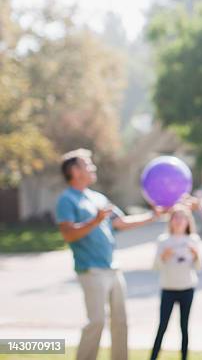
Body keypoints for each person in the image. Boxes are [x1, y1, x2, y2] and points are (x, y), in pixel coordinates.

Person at [55, 148, 161, 360]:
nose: (93, 167)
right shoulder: (67, 200)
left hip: (112, 268)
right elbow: (68, 234)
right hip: (91, 269)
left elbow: (120, 222)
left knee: (120, 321)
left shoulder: (98, 197)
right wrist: (94, 221)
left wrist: (153, 216)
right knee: (97, 321)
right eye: (87, 164)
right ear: (75, 171)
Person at [150, 204, 202, 360]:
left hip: (187, 288)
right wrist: (163, 256)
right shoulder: (163, 240)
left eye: (182, 217)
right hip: (168, 289)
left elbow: (200, 267)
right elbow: (155, 267)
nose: (179, 221)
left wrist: (196, 255)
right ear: (171, 220)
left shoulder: (193, 240)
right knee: (162, 326)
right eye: (176, 217)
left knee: (184, 327)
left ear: (188, 221)